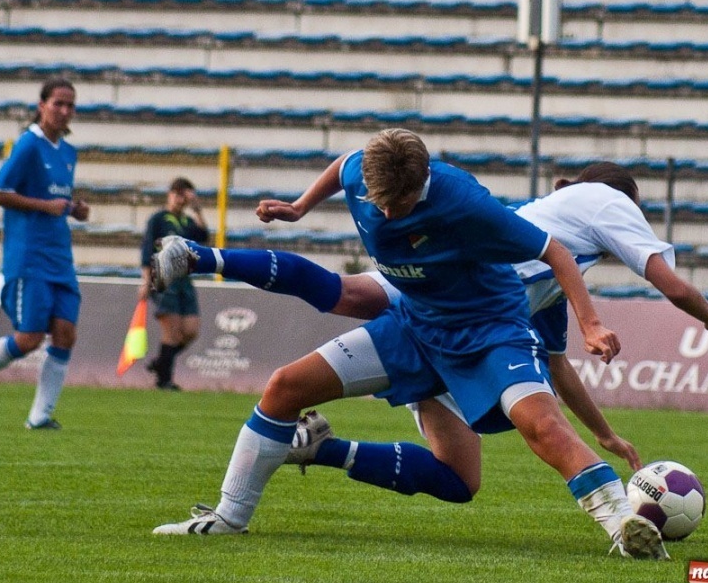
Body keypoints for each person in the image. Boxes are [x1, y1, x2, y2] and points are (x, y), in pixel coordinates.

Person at [151, 129, 667, 559]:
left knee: (525, 438)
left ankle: (624, 527)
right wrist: (301, 207)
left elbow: (555, 277)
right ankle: (227, 518)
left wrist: (593, 329)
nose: (389, 215)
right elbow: (346, 163)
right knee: (286, 385)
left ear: (423, 182)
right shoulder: (365, 174)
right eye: (381, 203)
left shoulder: (466, 202)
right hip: (418, 321)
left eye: (400, 204)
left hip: (488, 330)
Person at [0, 78, 89, 430]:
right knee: (29, 338)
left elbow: (54, 201)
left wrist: (72, 210)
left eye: (70, 105)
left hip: (59, 256)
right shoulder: (28, 145)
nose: (64, 111)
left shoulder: (68, 152)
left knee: (66, 333)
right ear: (42, 105)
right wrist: (45, 205)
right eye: (58, 103)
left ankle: (39, 417)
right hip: (29, 258)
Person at [139, 177, 209, 390]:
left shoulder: (187, 222)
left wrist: (198, 211)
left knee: (190, 330)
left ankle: (161, 363)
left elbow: (204, 237)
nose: (180, 199)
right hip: (164, 277)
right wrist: (145, 280)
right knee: (172, 331)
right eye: (177, 194)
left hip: (184, 279)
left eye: (184, 195)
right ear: (170, 194)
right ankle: (164, 380)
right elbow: (147, 250)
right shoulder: (159, 219)